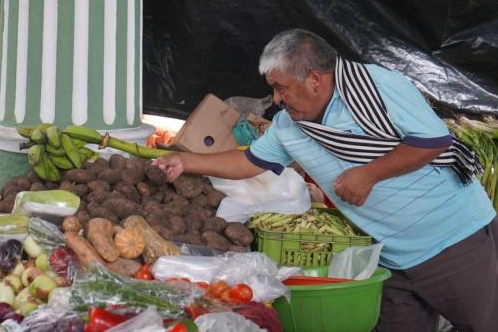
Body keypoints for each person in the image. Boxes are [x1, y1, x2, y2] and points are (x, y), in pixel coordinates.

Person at [153, 28, 497, 332]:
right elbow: (250, 161)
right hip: (390, 259)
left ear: (315, 79)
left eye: (280, 88)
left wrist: (368, 174)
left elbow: (433, 141)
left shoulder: (378, 87)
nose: (275, 99)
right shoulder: (291, 126)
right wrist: (186, 160)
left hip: (454, 242)